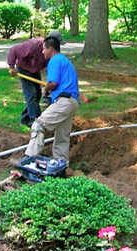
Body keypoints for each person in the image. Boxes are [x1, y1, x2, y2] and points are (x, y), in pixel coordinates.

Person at [24, 36, 80, 165]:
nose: (42, 52)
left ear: (50, 49)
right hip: (72, 102)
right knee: (62, 135)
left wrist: (45, 90)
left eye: (44, 49)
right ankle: (61, 163)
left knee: (39, 125)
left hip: (64, 101)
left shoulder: (54, 60)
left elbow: (53, 83)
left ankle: (28, 158)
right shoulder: (65, 61)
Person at [7, 30, 66, 127]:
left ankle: (25, 118)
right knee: (31, 94)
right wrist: (11, 67)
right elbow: (14, 50)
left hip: (34, 70)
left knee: (38, 94)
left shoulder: (52, 53)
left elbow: (50, 69)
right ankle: (37, 122)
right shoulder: (33, 45)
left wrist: (50, 83)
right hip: (24, 69)